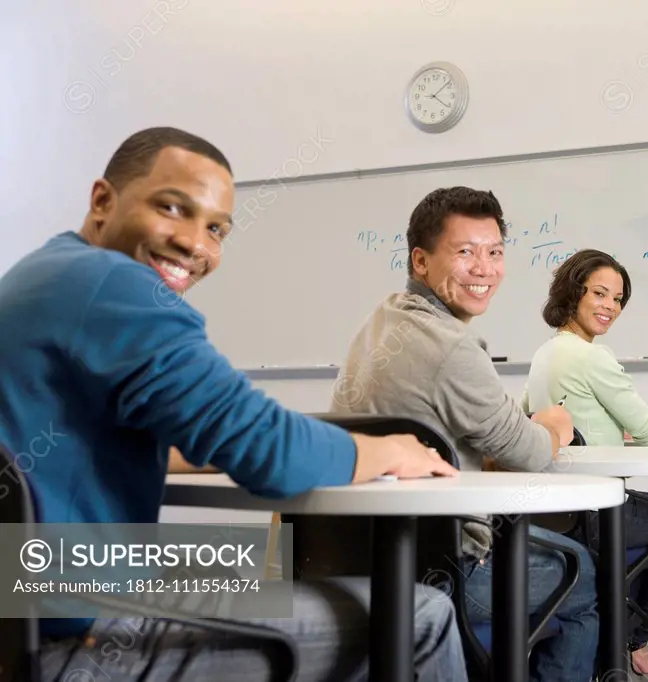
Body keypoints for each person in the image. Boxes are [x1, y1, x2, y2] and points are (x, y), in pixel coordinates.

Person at [0, 127, 467, 682]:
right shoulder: (119, 286)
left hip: (28, 587)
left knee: (251, 563)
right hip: (74, 622)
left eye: (216, 228)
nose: (197, 244)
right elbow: (269, 451)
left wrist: (215, 446)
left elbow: (104, 437)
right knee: (421, 612)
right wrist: (384, 450)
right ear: (103, 200)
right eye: (173, 208)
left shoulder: (44, 273)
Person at [329, 186, 599, 682]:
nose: (484, 268)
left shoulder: (380, 321)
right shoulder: (452, 346)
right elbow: (531, 455)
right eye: (464, 252)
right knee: (582, 572)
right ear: (421, 261)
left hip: (347, 554)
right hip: (444, 566)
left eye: (494, 252)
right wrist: (556, 425)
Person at [522, 248, 648, 677]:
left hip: (552, 510)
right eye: (600, 293)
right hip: (594, 511)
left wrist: (614, 431)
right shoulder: (594, 356)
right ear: (574, 292)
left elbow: (537, 420)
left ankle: (623, 628)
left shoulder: (545, 354)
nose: (610, 306)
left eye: (618, 298)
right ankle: (631, 635)